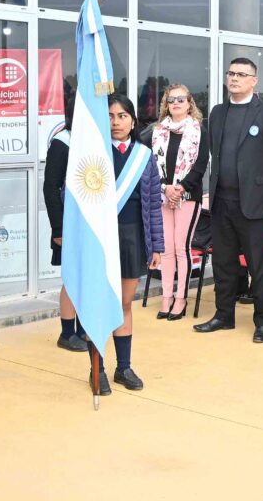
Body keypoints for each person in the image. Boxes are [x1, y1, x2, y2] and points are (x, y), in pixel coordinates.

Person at [194, 57, 263, 344]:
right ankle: (224, 315)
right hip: (222, 201)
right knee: (223, 263)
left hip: (255, 204)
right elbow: (215, 152)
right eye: (231, 73)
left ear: (254, 80)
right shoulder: (217, 112)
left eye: (241, 74)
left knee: (258, 265)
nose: (234, 78)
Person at [95, 94, 164, 392]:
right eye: (110, 116)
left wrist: (157, 246)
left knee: (124, 303)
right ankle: (96, 369)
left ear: (133, 121)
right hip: (101, 239)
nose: (116, 122)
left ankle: (123, 367)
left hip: (133, 237)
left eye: (122, 116)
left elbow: (153, 205)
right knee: (99, 305)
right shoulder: (95, 153)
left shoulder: (143, 156)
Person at [150, 85, 208, 320]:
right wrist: (165, 187)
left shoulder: (199, 131)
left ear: (189, 103)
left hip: (188, 196)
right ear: (166, 104)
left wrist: (181, 187)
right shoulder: (157, 131)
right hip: (163, 195)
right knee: (166, 249)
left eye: (180, 99)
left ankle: (181, 298)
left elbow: (201, 165)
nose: (176, 103)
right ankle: (166, 297)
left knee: (181, 248)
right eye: (171, 99)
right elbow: (150, 164)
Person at [42, 98, 89, 352]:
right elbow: (50, 188)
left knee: (86, 276)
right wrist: (58, 229)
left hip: (90, 222)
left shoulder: (93, 141)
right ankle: (67, 332)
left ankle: (83, 328)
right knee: (72, 277)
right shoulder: (63, 142)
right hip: (69, 222)